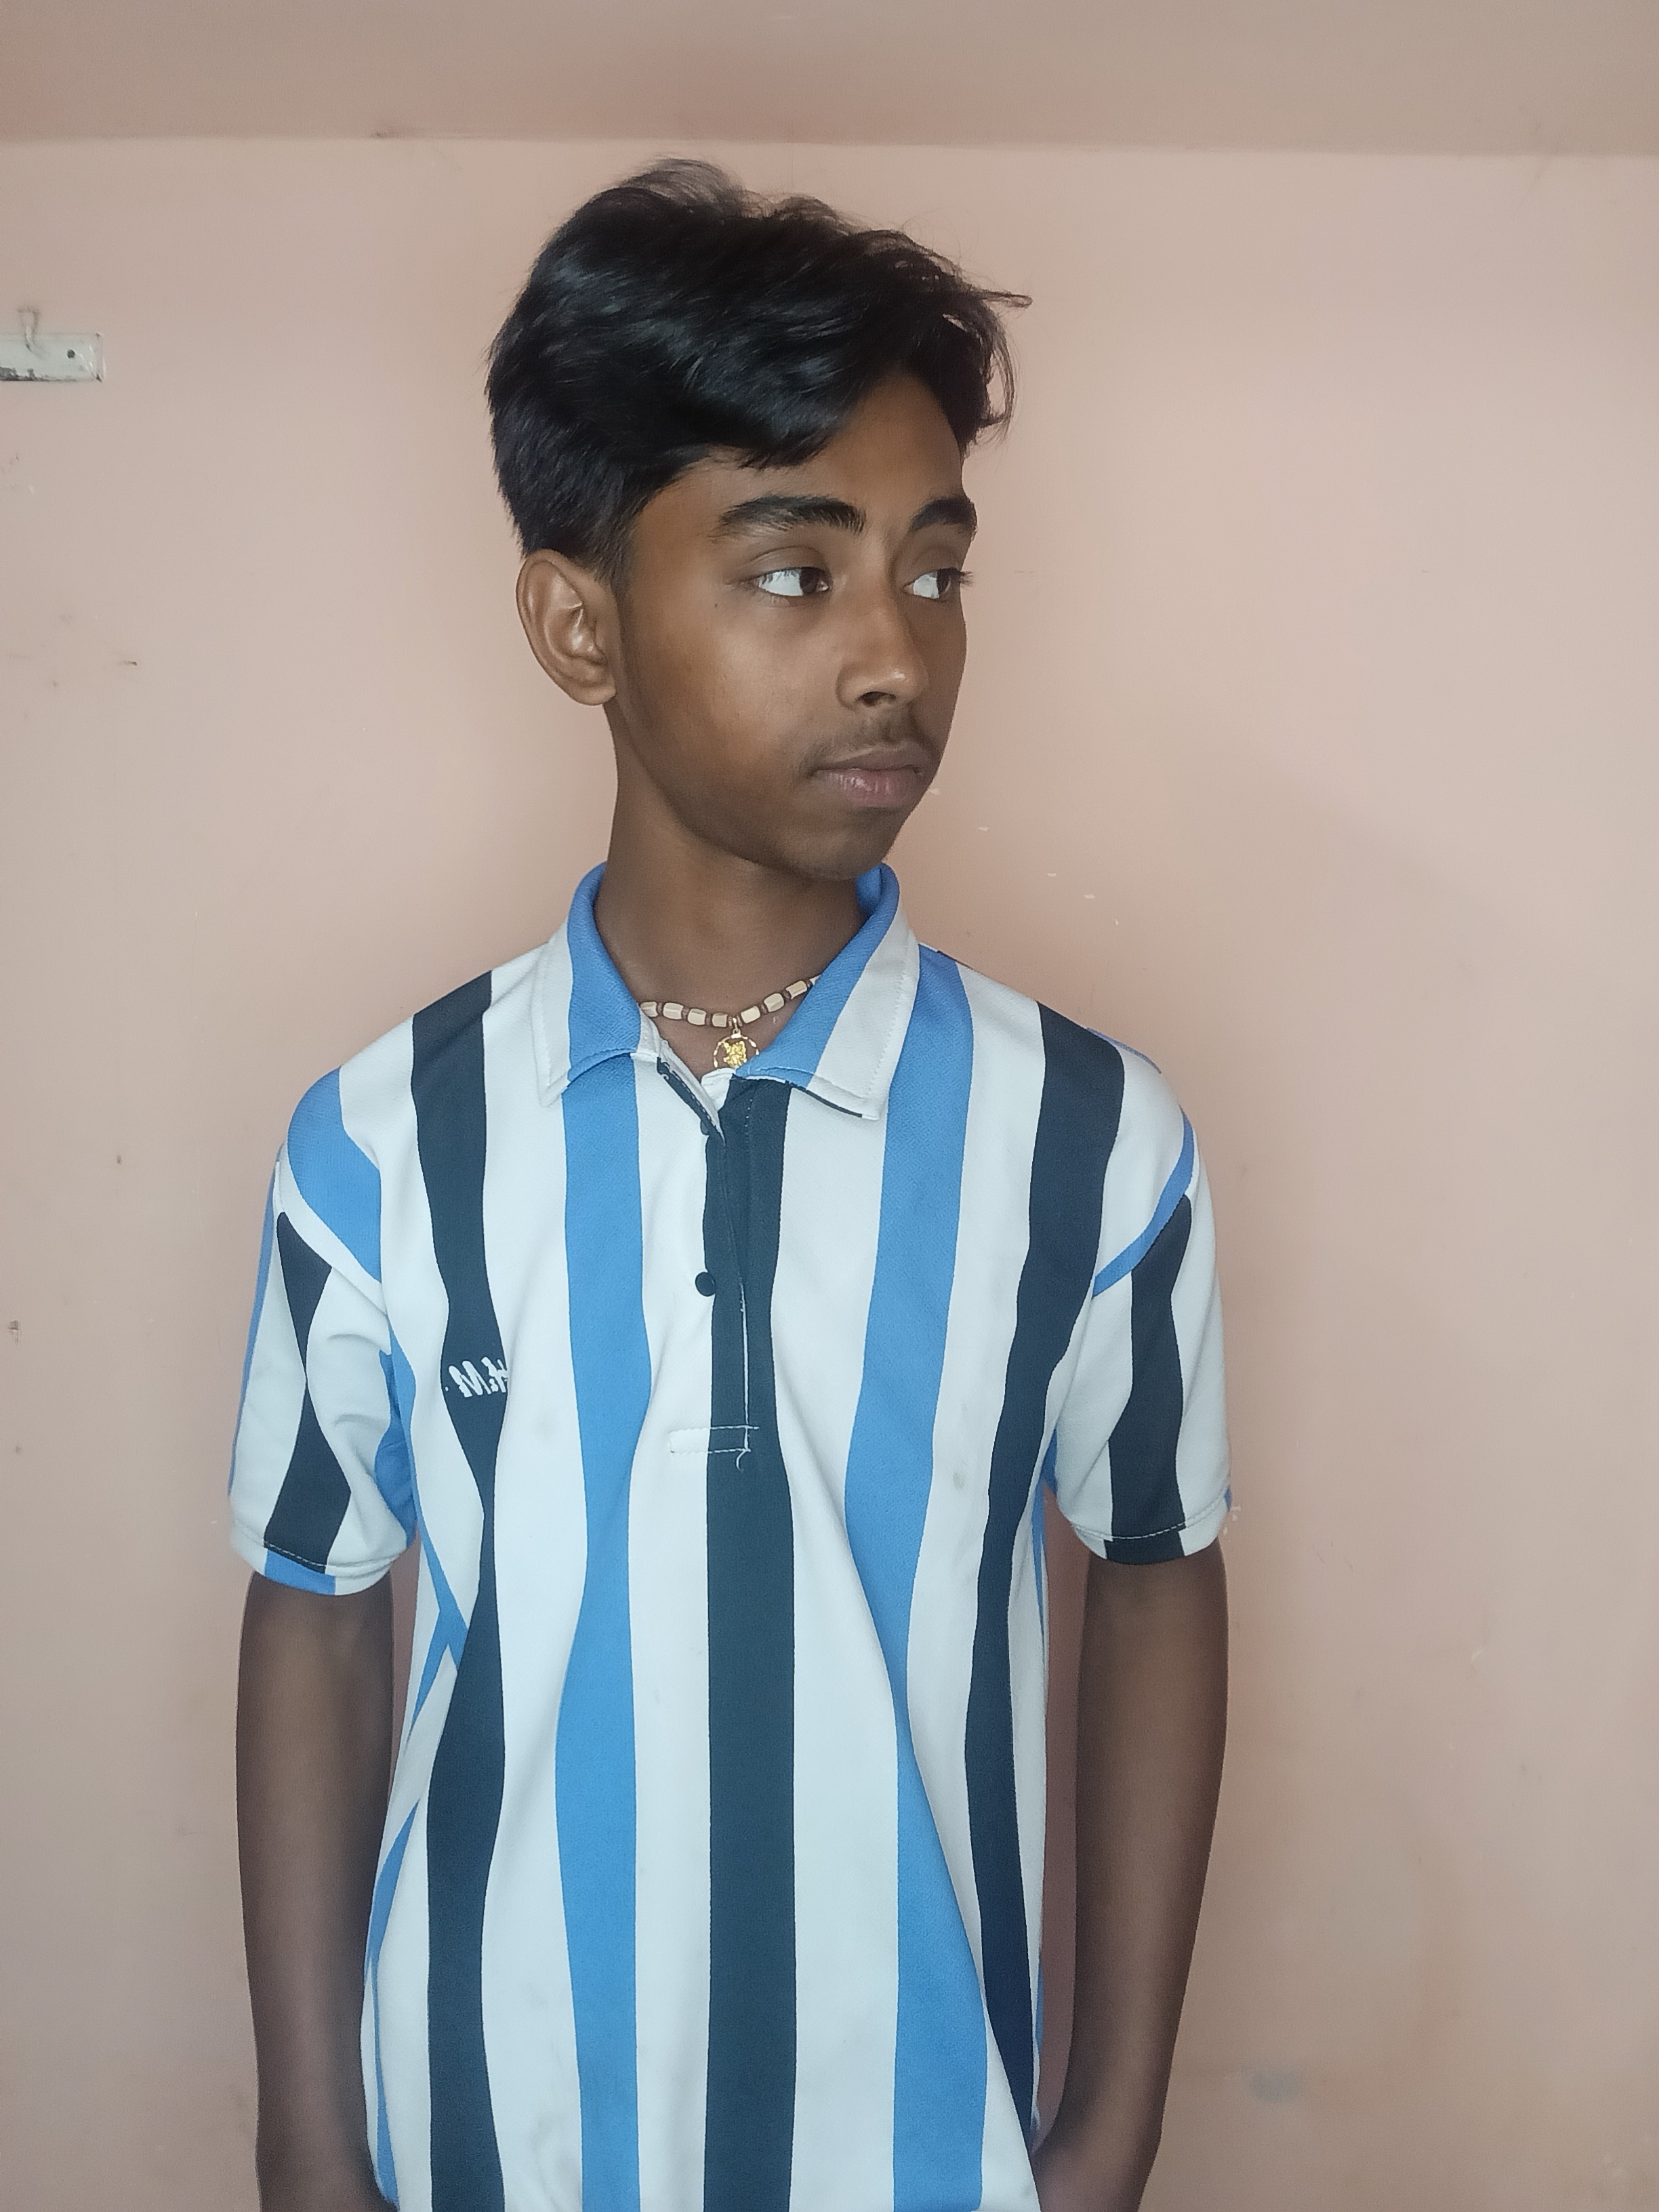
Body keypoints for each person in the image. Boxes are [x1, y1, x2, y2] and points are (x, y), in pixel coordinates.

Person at [231, 161, 1230, 2212]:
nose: (893, 659)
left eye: (934, 574)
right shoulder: (380, 1143)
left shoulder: (1090, 1139)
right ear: (577, 622)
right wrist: (312, 2150)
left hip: (924, 2157)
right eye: (794, 571)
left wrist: (1111, 2127)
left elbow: (1153, 1572)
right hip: (486, 2142)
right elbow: (316, 1620)